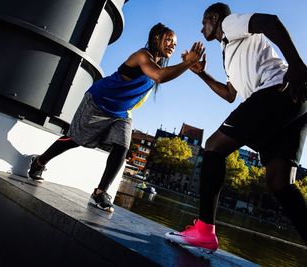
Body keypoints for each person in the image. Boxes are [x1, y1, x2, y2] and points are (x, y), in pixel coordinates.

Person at [165, 3, 307, 267]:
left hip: (282, 88)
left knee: (213, 147)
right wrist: (201, 74)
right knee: (281, 182)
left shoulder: (229, 25)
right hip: (298, 102)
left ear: (213, 18)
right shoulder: (229, 51)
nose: (202, 28)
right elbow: (230, 95)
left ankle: (204, 230)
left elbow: (270, 21)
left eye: (203, 22)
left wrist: (297, 63)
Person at [28, 23, 204, 213]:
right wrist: (186, 63)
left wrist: (191, 67)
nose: (172, 45)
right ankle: (39, 162)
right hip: (99, 102)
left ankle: (100, 192)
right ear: (156, 38)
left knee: (122, 147)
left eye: (175, 44)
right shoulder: (142, 55)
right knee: (75, 139)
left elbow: (158, 77)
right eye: (168, 40)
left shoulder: (159, 64)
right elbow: (159, 76)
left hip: (121, 113)